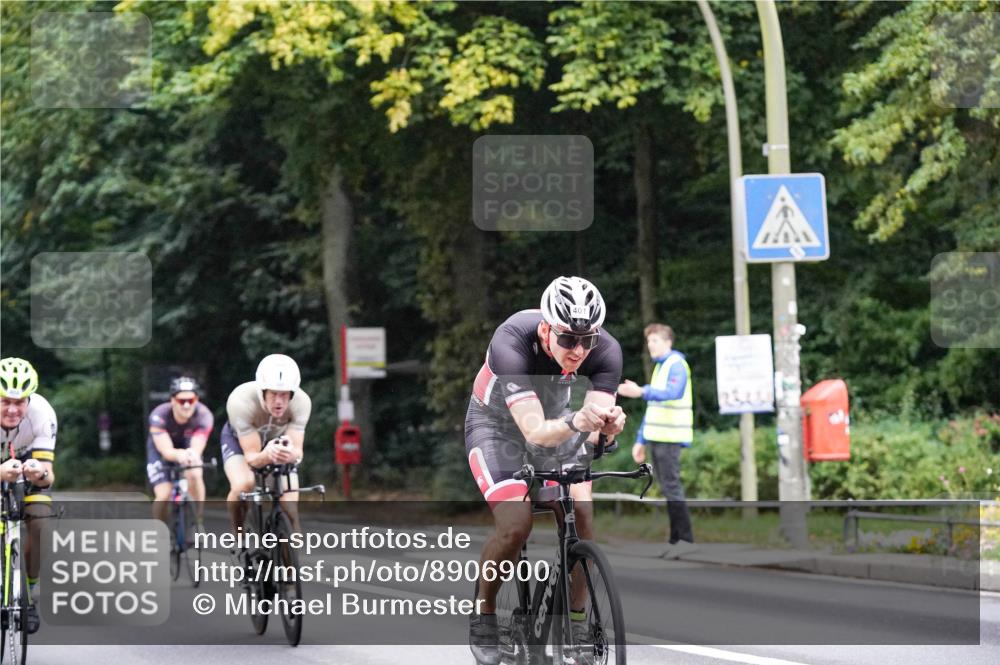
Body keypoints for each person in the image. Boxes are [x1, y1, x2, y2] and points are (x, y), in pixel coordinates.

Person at [466, 276, 626, 665]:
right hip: (497, 427)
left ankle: (577, 623)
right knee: (515, 524)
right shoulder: (512, 342)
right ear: (545, 329)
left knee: (582, 512)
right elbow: (535, 433)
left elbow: (590, 430)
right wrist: (580, 423)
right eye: (568, 339)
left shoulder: (606, 351)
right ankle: (484, 615)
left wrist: (605, 429)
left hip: (557, 421)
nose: (578, 350)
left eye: (586, 340)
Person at [618, 323, 696, 558]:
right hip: (658, 437)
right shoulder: (661, 367)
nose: (650, 345)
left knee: (672, 488)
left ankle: (686, 540)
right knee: (667, 488)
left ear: (668, 342)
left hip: (670, 438)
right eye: (649, 341)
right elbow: (654, 408)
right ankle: (675, 541)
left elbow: (674, 393)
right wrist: (641, 440)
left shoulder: (676, 365)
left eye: (655, 340)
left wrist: (641, 391)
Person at [221, 354, 310, 536]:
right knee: (244, 484)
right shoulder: (240, 401)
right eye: (273, 394)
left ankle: (290, 544)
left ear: (293, 393)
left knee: (289, 504)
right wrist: (266, 455)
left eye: (284, 395)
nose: (279, 401)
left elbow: (297, 452)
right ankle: (238, 533)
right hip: (240, 442)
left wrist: (289, 454)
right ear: (262, 391)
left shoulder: (302, 403)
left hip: (277, 443)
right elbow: (252, 459)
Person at [0, 357, 56, 635]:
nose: (12, 409)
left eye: (19, 401)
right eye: (5, 401)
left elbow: (48, 475)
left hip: (23, 464)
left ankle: (28, 595)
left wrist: (39, 474)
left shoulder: (42, 413)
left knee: (41, 522)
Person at [146, 377, 213, 525]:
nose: (187, 405)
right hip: (161, 448)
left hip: (187, 444)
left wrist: (191, 455)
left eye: (192, 400)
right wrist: (179, 455)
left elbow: (197, 447)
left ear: (197, 399)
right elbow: (166, 451)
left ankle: (198, 520)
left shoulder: (204, 415)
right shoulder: (159, 415)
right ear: (173, 401)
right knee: (164, 494)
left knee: (195, 473)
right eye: (182, 401)